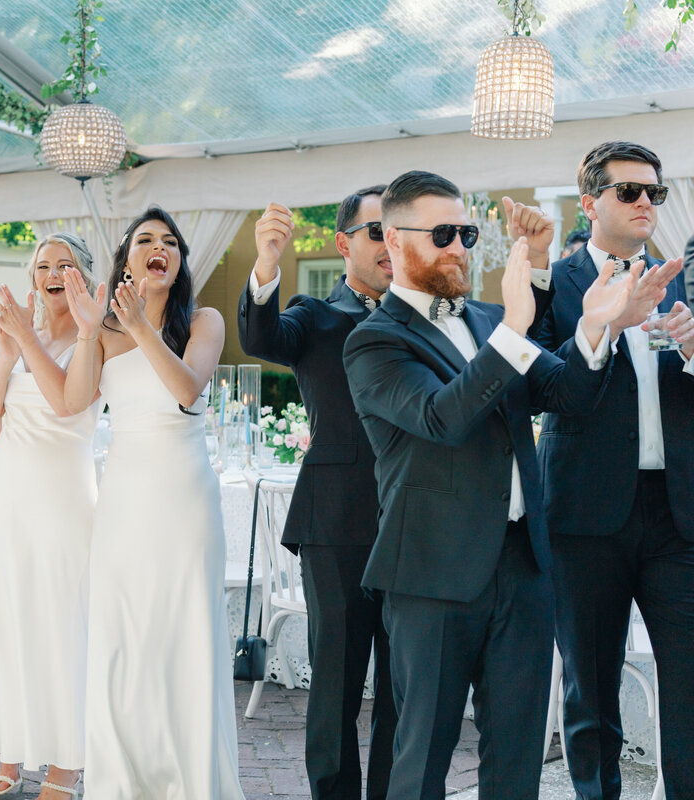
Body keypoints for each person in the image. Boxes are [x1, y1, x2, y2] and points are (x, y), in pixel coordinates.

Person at [342, 170, 631, 799]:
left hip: (524, 570)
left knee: (517, 761)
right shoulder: (374, 341)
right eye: (442, 233)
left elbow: (569, 395)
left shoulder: (487, 320)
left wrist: (592, 329)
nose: (459, 247)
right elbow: (441, 418)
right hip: (432, 576)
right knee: (420, 763)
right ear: (393, 239)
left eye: (467, 233)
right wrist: (514, 328)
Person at [530, 141, 694, 799]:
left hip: (677, 513)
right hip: (584, 514)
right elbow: (539, 383)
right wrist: (600, 330)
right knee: (590, 688)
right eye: (630, 191)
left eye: (654, 191)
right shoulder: (557, 282)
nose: (646, 203)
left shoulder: (682, 277)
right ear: (591, 201)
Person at [63, 206, 245, 800]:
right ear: (126, 259)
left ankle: (189, 781)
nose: (158, 247)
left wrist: (140, 325)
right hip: (124, 496)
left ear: (179, 263)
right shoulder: (107, 331)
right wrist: (90, 330)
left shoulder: (205, 321)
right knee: (123, 632)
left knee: (184, 628)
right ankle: (122, 780)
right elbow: (74, 401)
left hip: (185, 495)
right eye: (144, 240)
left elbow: (188, 391)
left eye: (170, 242)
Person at [237, 190, 397, 800]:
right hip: (334, 522)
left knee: (405, 685)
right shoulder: (315, 316)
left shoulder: (426, 316)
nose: (390, 244)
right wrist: (267, 265)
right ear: (344, 243)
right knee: (336, 680)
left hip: (415, 517)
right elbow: (261, 337)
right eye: (376, 230)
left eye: (398, 230)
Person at [0, 233, 100, 798]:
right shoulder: (24, 337)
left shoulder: (99, 335)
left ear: (84, 275)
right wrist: (7, 354)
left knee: (56, 625)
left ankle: (66, 764)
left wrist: (25, 338)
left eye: (64, 264)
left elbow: (69, 400)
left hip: (61, 497)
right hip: (2, 496)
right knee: (2, 620)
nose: (52, 273)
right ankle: (14, 749)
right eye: (43, 264)